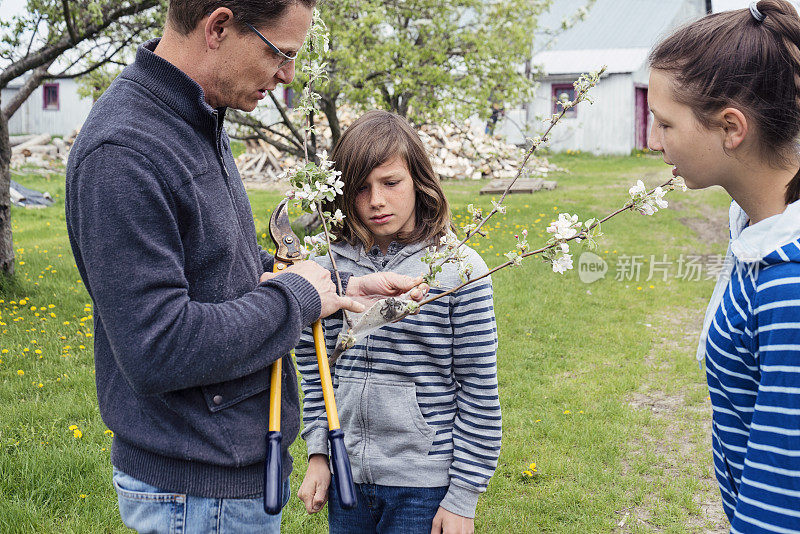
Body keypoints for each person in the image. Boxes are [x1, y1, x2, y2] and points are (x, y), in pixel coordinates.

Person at [64, 2, 424, 532]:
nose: (288, 74)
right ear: (219, 27)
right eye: (279, 52)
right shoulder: (126, 152)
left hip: (232, 475)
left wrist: (336, 287)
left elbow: (219, 269)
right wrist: (297, 299)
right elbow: (156, 346)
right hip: (196, 493)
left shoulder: (193, 118)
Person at [295, 110, 501, 534]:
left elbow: (479, 390)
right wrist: (320, 453)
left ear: (419, 181)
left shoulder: (459, 270)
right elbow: (316, 371)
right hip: (346, 475)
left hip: (422, 484)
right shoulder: (325, 270)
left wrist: (462, 498)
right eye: (360, 188)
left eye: (391, 183)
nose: (376, 201)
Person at [648, 2, 800, 531]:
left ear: (731, 128)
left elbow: (785, 494)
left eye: (665, 123)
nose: (653, 141)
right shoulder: (759, 235)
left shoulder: (789, 285)